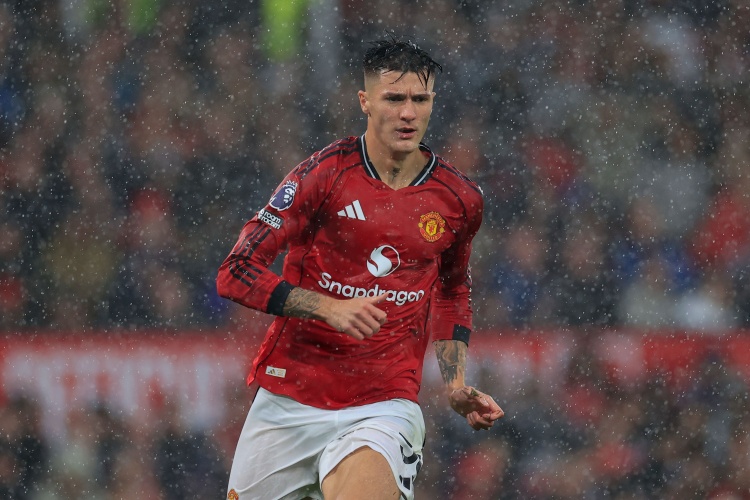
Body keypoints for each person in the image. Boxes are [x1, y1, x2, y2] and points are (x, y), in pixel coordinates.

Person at [216, 35, 504, 500]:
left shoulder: (460, 199)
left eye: (420, 99)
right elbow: (235, 271)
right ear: (365, 102)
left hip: (383, 405)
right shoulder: (323, 175)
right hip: (290, 397)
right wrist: (326, 307)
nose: (408, 113)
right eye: (394, 98)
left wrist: (454, 385)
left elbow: (453, 291)